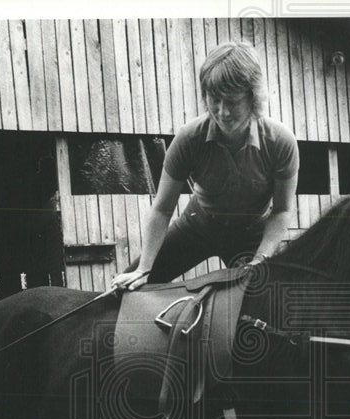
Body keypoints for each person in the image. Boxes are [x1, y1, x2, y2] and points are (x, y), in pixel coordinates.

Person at [112, 41, 299, 291]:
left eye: (232, 101)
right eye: (215, 99)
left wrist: (260, 259)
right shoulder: (190, 138)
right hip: (198, 225)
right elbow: (162, 209)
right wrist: (144, 268)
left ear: (253, 98)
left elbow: (282, 210)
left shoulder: (280, 142)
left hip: (250, 234)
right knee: (127, 290)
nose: (222, 112)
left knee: (267, 300)